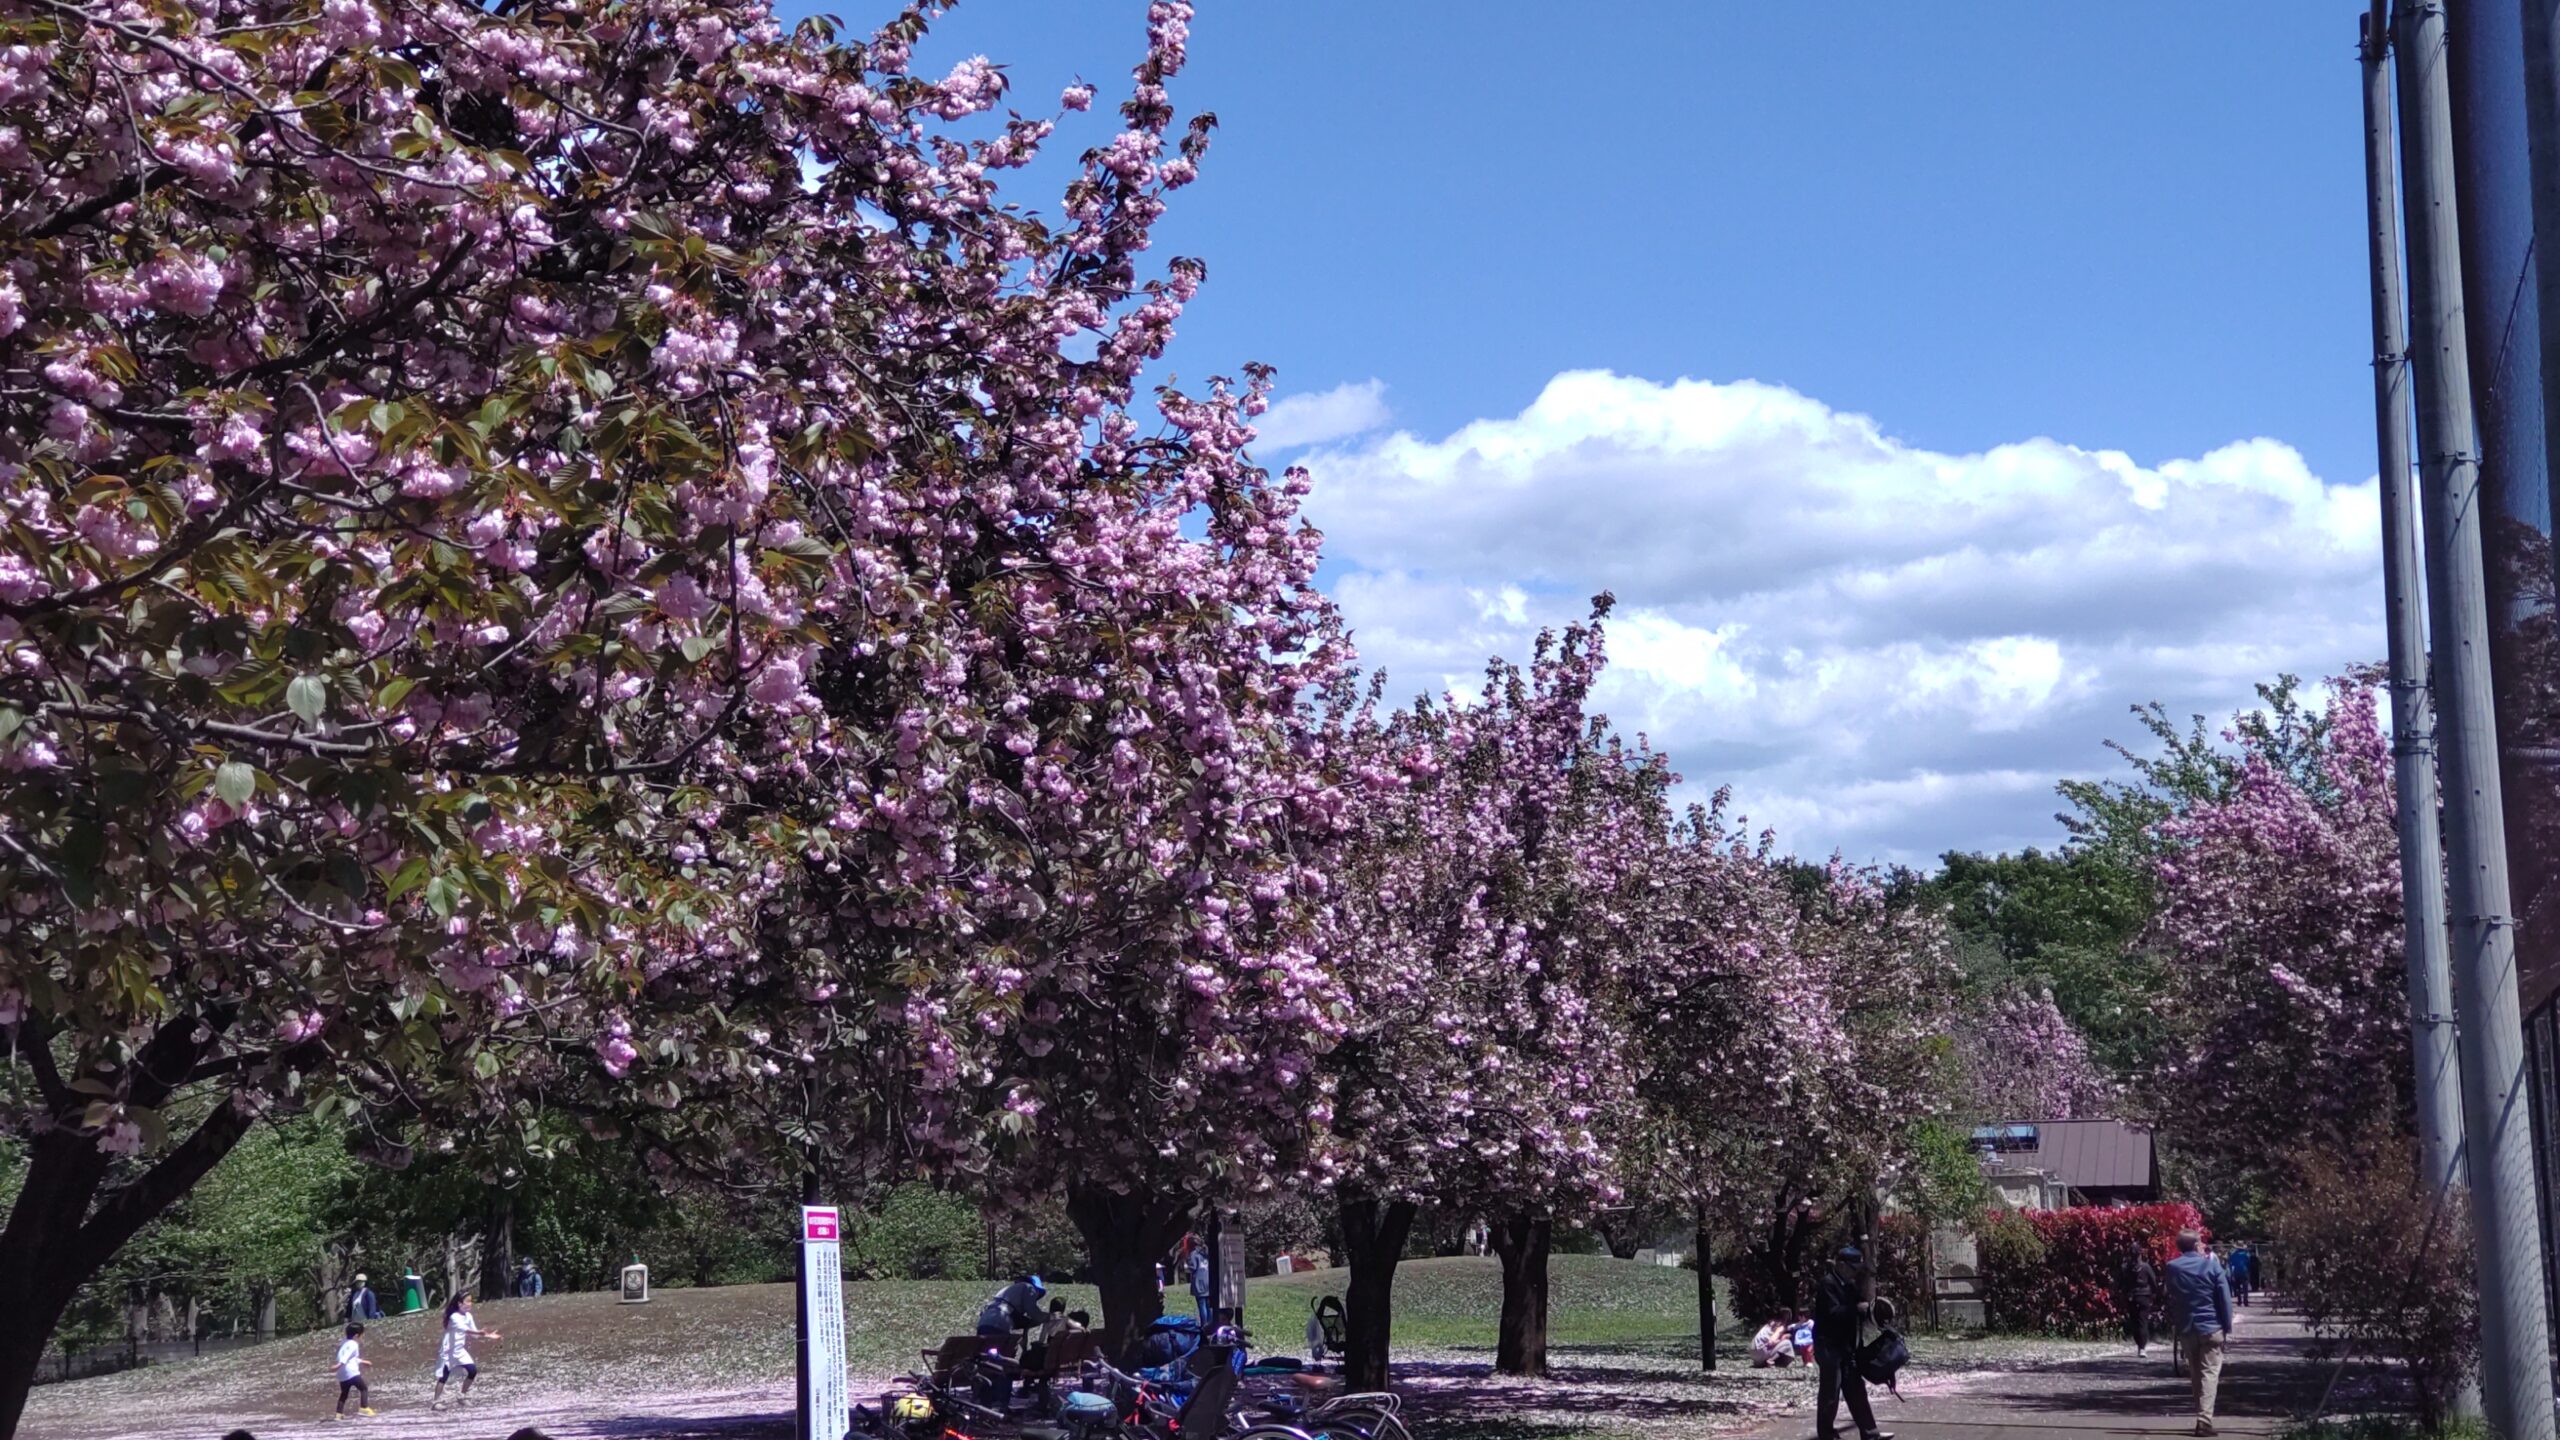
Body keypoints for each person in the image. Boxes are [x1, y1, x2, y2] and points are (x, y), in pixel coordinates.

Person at [1814, 1246, 1892, 1440]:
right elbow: (1832, 1313)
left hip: (1847, 1346)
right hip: (1829, 1346)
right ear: (1840, 1264)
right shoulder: (1827, 1284)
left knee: (1857, 1391)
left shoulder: (1849, 1286)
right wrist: (1856, 1308)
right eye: (1851, 1267)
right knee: (1830, 1394)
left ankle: (1870, 1433)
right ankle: (1827, 1435)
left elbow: (1862, 1309)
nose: (1854, 1272)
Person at [2164, 1229, 2234, 1436]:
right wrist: (2226, 1325)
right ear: (2196, 1245)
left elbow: (2171, 1296)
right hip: (2211, 1326)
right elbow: (2224, 1297)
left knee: (2195, 1373)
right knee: (2209, 1373)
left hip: (2186, 1327)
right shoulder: (2211, 1265)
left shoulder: (2171, 1268)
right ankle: (2204, 1420)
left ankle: (2201, 1414)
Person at [431, 1293, 499, 1411]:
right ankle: (436, 1402)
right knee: (444, 1377)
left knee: (472, 1371)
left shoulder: (468, 1316)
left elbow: (473, 1333)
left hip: (459, 1350)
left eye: (471, 1301)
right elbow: (464, 1329)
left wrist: (487, 1335)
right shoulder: (454, 1316)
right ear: (459, 1304)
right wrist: (479, 1333)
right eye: (467, 1301)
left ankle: (461, 1396)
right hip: (448, 1351)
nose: (470, 1304)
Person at [2120, 1243, 2159, 1357]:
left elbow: (2122, 1283)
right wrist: (2154, 1293)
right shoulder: (2146, 1267)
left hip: (2132, 1296)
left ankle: (2138, 1344)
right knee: (2143, 1322)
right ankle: (2142, 1348)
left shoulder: (2125, 1267)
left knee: (2134, 1321)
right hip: (2144, 1296)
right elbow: (2153, 1282)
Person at [332, 1323, 375, 1420]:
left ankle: (339, 1414)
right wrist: (338, 1365)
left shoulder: (344, 1342)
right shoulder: (353, 1344)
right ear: (356, 1335)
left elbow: (351, 1358)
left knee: (344, 1394)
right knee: (363, 1389)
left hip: (342, 1374)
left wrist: (362, 1361)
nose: (362, 1337)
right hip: (351, 1372)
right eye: (361, 1335)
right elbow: (346, 1357)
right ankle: (364, 1408)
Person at [1188, 1240, 1214, 1325]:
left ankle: (1204, 1326)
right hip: (1208, 1281)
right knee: (1208, 1306)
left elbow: (1193, 1267)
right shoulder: (1206, 1252)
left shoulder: (1194, 1254)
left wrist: (1187, 1265)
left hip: (1199, 1283)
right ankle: (1210, 1324)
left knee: (1202, 1306)